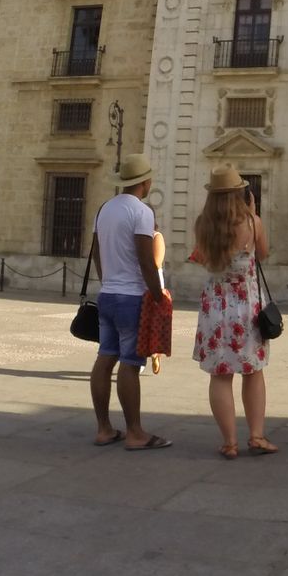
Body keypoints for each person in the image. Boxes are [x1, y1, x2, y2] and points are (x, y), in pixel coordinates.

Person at [88, 153, 171, 451]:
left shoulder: (104, 209)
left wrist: (106, 279)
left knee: (104, 357)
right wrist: (158, 296)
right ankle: (135, 432)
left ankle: (104, 429)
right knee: (130, 363)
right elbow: (147, 261)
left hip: (108, 293)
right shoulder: (142, 213)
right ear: (145, 183)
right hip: (131, 296)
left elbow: (96, 251)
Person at [192, 167, 276, 459]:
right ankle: (256, 436)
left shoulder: (203, 225)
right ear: (241, 193)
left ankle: (229, 442)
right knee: (252, 372)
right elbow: (262, 254)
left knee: (220, 375)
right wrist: (252, 215)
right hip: (247, 307)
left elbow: (202, 259)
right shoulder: (252, 223)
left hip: (215, 307)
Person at [144, 226, 168, 376]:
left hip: (152, 282)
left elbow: (156, 263)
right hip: (136, 280)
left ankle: (154, 352)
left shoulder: (156, 236)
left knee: (153, 320)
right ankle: (143, 356)